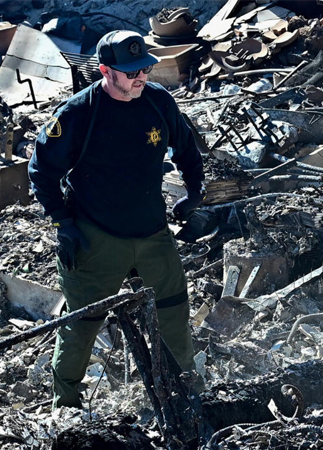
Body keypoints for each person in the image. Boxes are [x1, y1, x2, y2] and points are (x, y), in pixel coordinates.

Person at [28, 30, 206, 409]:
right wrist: (63, 224)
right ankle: (67, 404)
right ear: (105, 71)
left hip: (153, 231)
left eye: (143, 68)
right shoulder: (78, 114)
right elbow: (40, 171)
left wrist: (194, 193)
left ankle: (186, 391)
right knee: (83, 322)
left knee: (172, 310)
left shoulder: (158, 102)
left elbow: (188, 148)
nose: (140, 77)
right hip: (96, 236)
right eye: (130, 72)